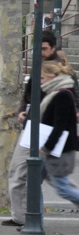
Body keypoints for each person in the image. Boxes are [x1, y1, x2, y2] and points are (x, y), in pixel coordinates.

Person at [4, 31, 64, 227]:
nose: (41, 52)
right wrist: (23, 111)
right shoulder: (38, 66)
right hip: (32, 128)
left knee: (46, 179)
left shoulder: (62, 71)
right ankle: (22, 217)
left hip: (50, 131)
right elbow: (28, 96)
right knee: (19, 172)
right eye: (37, 48)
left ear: (54, 48)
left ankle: (31, 220)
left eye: (44, 49)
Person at [38, 61, 79, 209]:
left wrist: (47, 147)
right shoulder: (55, 93)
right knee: (32, 184)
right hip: (53, 147)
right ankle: (33, 219)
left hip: (59, 149)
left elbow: (59, 125)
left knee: (63, 188)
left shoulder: (62, 95)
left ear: (51, 76)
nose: (40, 81)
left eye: (42, 78)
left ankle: (34, 220)